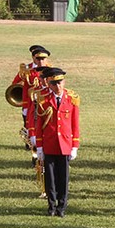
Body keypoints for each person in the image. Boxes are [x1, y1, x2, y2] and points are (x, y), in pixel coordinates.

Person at [34, 68, 81, 217]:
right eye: (54, 83)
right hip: (50, 143)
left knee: (63, 178)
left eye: (59, 82)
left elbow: (75, 124)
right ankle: (51, 205)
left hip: (65, 144)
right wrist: (39, 146)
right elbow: (39, 124)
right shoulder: (43, 99)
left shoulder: (72, 98)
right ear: (48, 84)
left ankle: (62, 206)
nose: (58, 86)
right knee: (50, 178)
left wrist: (75, 146)